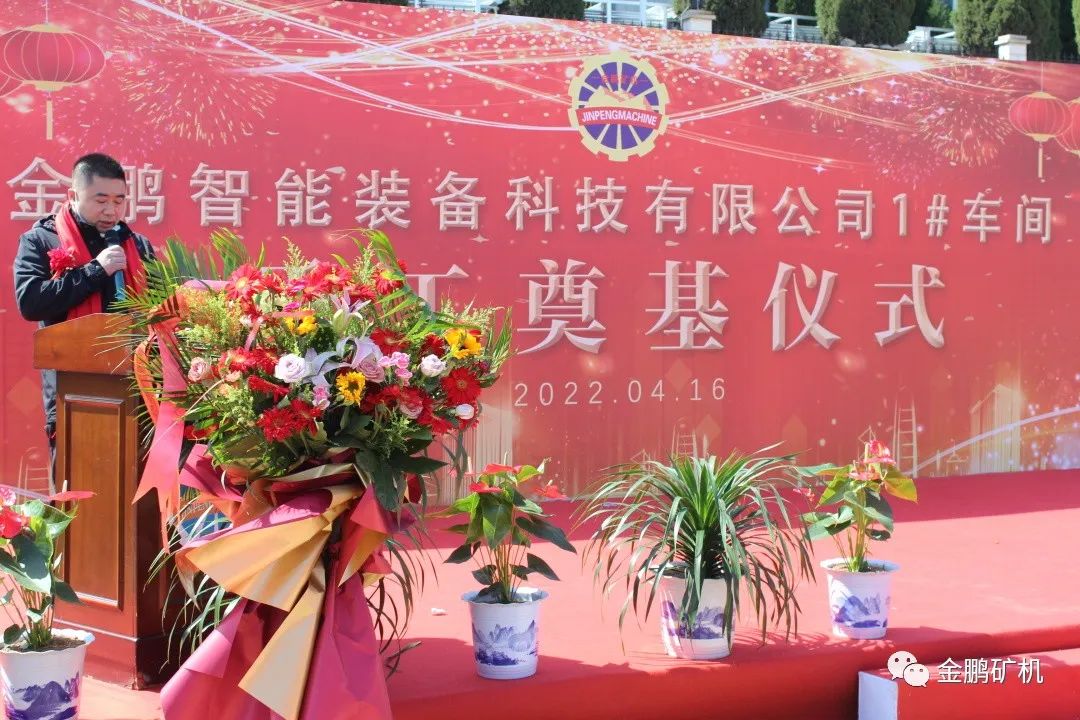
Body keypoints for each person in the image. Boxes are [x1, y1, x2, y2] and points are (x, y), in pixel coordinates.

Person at [12, 153, 154, 488]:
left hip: (136, 387)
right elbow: (30, 302)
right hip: (73, 391)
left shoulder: (136, 245)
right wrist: (95, 270)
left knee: (135, 490)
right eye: (100, 200)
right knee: (76, 487)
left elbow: (159, 307)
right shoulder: (41, 240)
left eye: (119, 200)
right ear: (73, 195)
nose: (111, 210)